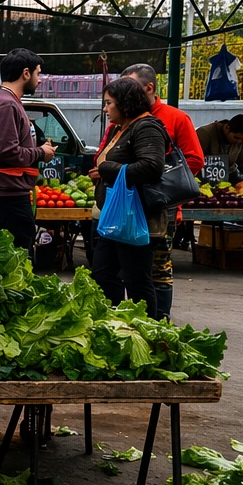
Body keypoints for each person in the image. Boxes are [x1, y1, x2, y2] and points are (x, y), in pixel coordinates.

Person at [117, 64, 205, 319]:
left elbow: (194, 160)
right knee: (129, 268)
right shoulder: (123, 117)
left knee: (158, 268)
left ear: (149, 88)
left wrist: (156, 181)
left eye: (131, 88)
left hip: (159, 210)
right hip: (127, 208)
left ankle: (159, 320)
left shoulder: (176, 118)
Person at [88, 76, 168, 318]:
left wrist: (108, 170)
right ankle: (113, 324)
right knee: (102, 274)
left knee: (136, 281)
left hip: (134, 217)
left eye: (109, 103)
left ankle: (146, 332)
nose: (105, 109)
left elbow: (153, 166)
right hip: (114, 215)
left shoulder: (147, 127)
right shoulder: (120, 128)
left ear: (125, 103)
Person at [0, 48, 56, 254]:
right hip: (8, 195)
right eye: (37, 73)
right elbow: (6, 152)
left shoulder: (5, 101)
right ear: (26, 73)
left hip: (7, 192)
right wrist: (41, 152)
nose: (39, 79)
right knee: (18, 255)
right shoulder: (6, 105)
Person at [195, 114, 243, 183]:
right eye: (236, 138)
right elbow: (194, 159)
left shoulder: (241, 138)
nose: (238, 141)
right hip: (204, 178)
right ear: (227, 127)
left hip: (230, 176)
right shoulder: (205, 133)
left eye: (242, 139)